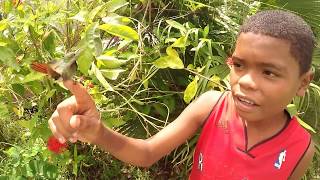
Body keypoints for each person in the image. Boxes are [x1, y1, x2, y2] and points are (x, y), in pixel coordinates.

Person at [48, 10, 316, 179]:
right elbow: (147, 152)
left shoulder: (301, 148)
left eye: (269, 72)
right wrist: (98, 132)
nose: (245, 81)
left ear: (303, 82)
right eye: (239, 65)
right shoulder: (212, 106)